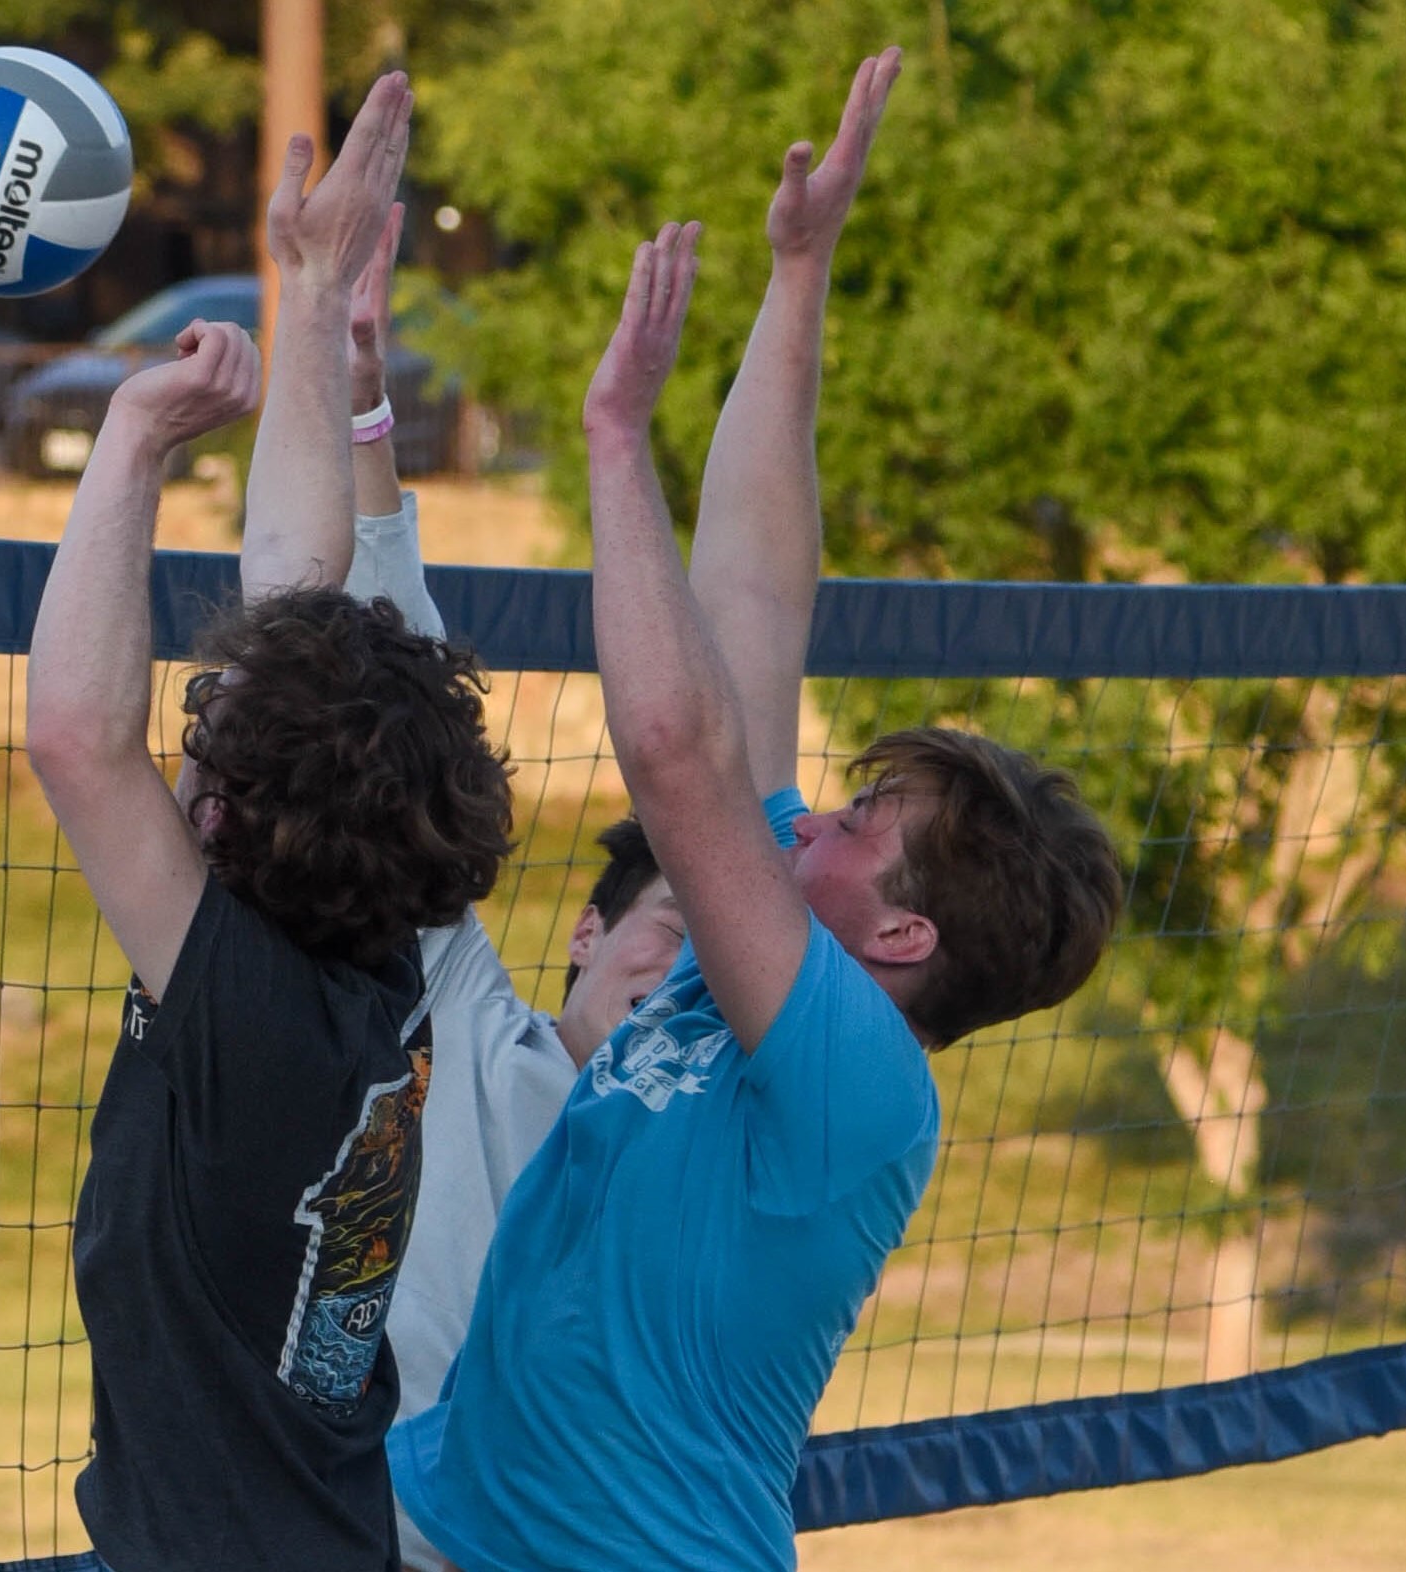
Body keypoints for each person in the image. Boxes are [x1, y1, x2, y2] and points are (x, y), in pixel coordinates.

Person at [386, 51, 1127, 1572]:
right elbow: (753, 598)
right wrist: (801, 275)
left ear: (903, 930)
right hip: (448, 1521)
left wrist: (611, 442)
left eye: (862, 820)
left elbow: (675, 746)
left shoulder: (857, 1077)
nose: (813, 820)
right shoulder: (775, 945)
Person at [21, 71, 518, 1572]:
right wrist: (307, 294)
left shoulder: (262, 1022)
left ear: (229, 818)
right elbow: (298, 588)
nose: (182, 749)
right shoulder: (373, 969)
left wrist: (132, 443)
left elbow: (73, 740)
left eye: (207, 743)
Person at [253, 208, 690, 1572]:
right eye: (670, 938)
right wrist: (364, 410)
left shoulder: (690, 1162)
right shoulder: (462, 1023)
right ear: (586, 931)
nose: (682, 983)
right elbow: (390, 689)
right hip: (339, 1526)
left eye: (715, 971)